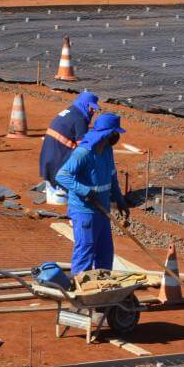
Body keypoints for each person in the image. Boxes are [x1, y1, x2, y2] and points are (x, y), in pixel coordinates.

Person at [55, 113, 130, 274]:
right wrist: (85, 191)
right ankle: (81, 289)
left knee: (105, 252)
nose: (116, 136)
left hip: (102, 210)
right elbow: (62, 176)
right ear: (106, 133)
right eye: (114, 132)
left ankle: (102, 288)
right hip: (84, 212)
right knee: (86, 252)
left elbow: (112, 176)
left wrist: (120, 199)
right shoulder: (83, 153)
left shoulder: (107, 150)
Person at [39, 91, 100, 194]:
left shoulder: (72, 110)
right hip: (58, 159)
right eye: (91, 107)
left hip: (48, 156)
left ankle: (52, 185)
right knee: (86, 158)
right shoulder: (80, 118)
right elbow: (83, 146)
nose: (93, 111)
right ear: (84, 104)